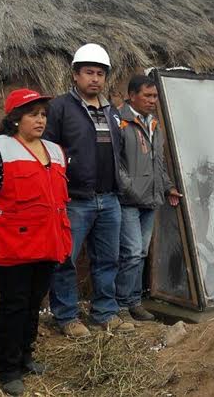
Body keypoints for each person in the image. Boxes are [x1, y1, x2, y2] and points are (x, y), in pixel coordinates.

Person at [0, 89, 72, 396]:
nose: (40, 120)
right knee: (14, 304)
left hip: (48, 240)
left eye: (42, 114)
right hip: (14, 244)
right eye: (32, 114)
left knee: (34, 302)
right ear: (15, 119)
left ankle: (26, 355)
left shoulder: (54, 150)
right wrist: (4, 221)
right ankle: (8, 368)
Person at [45, 43, 134, 337]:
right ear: (75, 75)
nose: (94, 79)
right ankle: (67, 316)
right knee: (65, 260)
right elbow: (47, 151)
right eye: (88, 73)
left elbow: (118, 152)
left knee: (108, 259)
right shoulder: (60, 108)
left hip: (109, 198)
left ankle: (105, 312)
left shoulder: (110, 111)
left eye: (99, 73)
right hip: (74, 200)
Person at [116, 75, 182, 321]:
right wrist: (130, 189)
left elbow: (159, 164)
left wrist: (167, 187)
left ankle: (134, 301)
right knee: (131, 251)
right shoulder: (120, 123)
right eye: (148, 96)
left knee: (142, 252)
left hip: (150, 200)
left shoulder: (154, 125)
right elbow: (115, 165)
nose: (153, 100)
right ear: (132, 95)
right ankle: (121, 305)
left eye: (155, 96)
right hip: (129, 201)